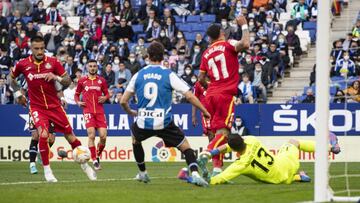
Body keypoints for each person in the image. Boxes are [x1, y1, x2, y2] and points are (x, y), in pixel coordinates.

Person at [120, 42, 211, 187]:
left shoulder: (139, 75)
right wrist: (204, 111)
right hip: (164, 122)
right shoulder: (168, 74)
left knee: (135, 140)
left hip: (144, 121)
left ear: (148, 56)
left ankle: (143, 173)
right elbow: (189, 96)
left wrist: (130, 112)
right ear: (163, 57)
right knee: (186, 147)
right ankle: (194, 173)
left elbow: (123, 101)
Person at [8, 36, 96, 182]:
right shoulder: (23, 64)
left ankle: (86, 167)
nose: (40, 51)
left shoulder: (53, 62)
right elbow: (11, 79)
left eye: (42, 48)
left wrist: (56, 77)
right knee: (43, 134)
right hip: (37, 107)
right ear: (31, 49)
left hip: (55, 106)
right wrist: (18, 94)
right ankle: (48, 172)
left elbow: (68, 81)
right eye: (37, 48)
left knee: (71, 137)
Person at [198, 16, 250, 176]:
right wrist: (245, 26)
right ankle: (205, 154)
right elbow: (245, 44)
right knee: (224, 133)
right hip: (225, 94)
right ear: (221, 33)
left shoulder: (206, 53)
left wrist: (211, 87)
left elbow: (200, 79)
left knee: (215, 133)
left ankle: (217, 170)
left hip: (211, 95)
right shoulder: (228, 45)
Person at [188, 132, 341, 185]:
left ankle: (298, 177)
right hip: (286, 163)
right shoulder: (252, 140)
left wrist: (198, 177)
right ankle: (331, 147)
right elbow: (230, 145)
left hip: (280, 179)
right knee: (294, 142)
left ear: (234, 150)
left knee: (270, 177)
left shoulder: (240, 165)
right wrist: (212, 153)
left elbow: (217, 180)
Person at [74, 59, 110, 170]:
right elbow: (76, 94)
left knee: (103, 136)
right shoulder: (82, 81)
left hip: (100, 111)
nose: (92, 68)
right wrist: (78, 102)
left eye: (94, 66)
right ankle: (94, 160)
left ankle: (97, 156)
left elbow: (107, 93)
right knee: (91, 135)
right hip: (88, 111)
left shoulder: (102, 80)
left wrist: (105, 97)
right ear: (87, 67)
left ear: (97, 67)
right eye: (90, 66)